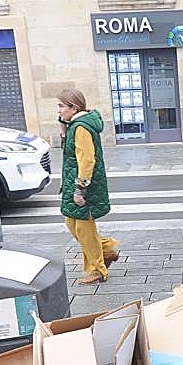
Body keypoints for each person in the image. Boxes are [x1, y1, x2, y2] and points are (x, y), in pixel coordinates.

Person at [58, 88, 118, 285]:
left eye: (61, 106)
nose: (58, 110)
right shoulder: (74, 125)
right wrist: (63, 129)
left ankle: (98, 269)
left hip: (84, 186)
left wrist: (80, 189)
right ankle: (107, 250)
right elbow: (70, 154)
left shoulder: (81, 127)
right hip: (73, 181)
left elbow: (87, 160)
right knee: (72, 224)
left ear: (73, 107)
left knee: (84, 228)